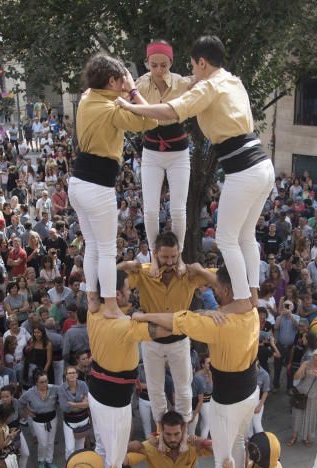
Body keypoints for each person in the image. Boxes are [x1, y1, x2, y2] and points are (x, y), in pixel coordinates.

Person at [119, 35, 275, 308]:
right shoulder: (232, 80)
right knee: (246, 235)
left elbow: (170, 112)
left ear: (202, 63)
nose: (191, 72)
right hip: (262, 164)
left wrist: (130, 105)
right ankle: (251, 294)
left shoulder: (208, 87)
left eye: (192, 66)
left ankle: (241, 299)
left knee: (227, 240)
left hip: (244, 168)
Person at [132, 265, 259, 468]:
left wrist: (143, 316)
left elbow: (175, 320)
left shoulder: (219, 324)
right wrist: (201, 271)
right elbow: (224, 285)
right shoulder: (251, 310)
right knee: (238, 445)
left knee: (223, 457)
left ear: (228, 290)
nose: (215, 290)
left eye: (219, 288)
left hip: (229, 401)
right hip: (249, 393)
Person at [68, 53, 156, 318]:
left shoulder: (86, 99)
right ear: (112, 80)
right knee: (106, 250)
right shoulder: (111, 110)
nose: (124, 83)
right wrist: (133, 90)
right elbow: (150, 120)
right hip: (97, 186)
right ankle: (110, 306)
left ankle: (93, 299)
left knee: (93, 246)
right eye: (120, 79)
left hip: (77, 183)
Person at [120, 234, 207, 426]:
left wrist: (200, 269)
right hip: (151, 340)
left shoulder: (189, 275)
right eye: (165, 257)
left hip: (180, 340)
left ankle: (183, 432)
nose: (169, 262)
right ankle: (161, 431)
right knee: (155, 390)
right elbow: (112, 280)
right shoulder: (143, 273)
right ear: (155, 254)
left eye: (174, 257)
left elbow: (220, 279)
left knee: (184, 389)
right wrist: (124, 265)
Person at [85, 270, 156, 468]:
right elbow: (164, 330)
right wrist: (145, 317)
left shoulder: (93, 311)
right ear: (116, 294)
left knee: (103, 447)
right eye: (128, 290)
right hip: (114, 403)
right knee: (114, 455)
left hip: (99, 393)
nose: (130, 293)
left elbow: (101, 277)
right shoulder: (125, 325)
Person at [136, 41, 190, 254]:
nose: (159, 70)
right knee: (149, 211)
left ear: (171, 62)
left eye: (164, 65)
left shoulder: (182, 83)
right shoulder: (138, 85)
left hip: (179, 153)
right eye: (154, 65)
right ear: (147, 63)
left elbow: (208, 81)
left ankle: (179, 255)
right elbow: (115, 94)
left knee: (178, 210)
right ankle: (154, 254)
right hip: (151, 153)